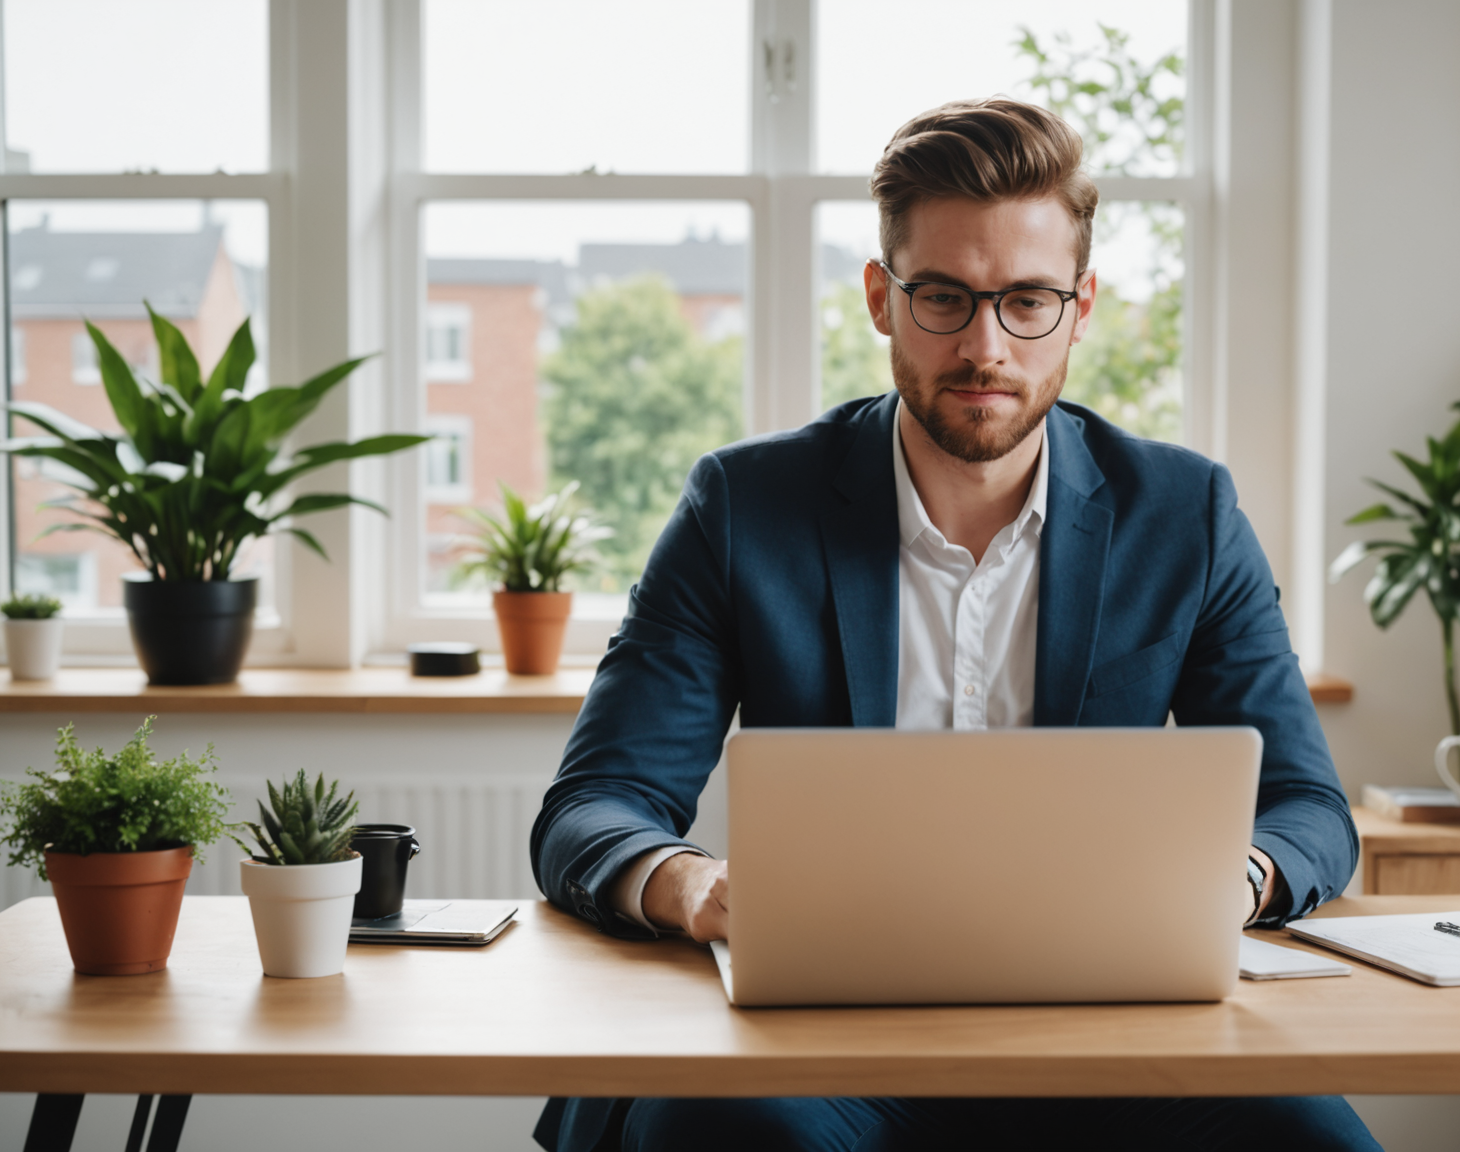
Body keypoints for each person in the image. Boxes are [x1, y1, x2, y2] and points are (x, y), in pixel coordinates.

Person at [529, 97, 1376, 1152]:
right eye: (944, 298)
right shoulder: (746, 509)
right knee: (721, 1130)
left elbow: (1308, 809)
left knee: (1317, 1144)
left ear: (1081, 306)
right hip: (817, 1040)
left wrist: (1237, 880)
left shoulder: (1183, 515)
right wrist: (692, 885)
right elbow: (594, 806)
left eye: (1027, 300)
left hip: (1109, 1039)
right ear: (883, 299)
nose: (984, 346)